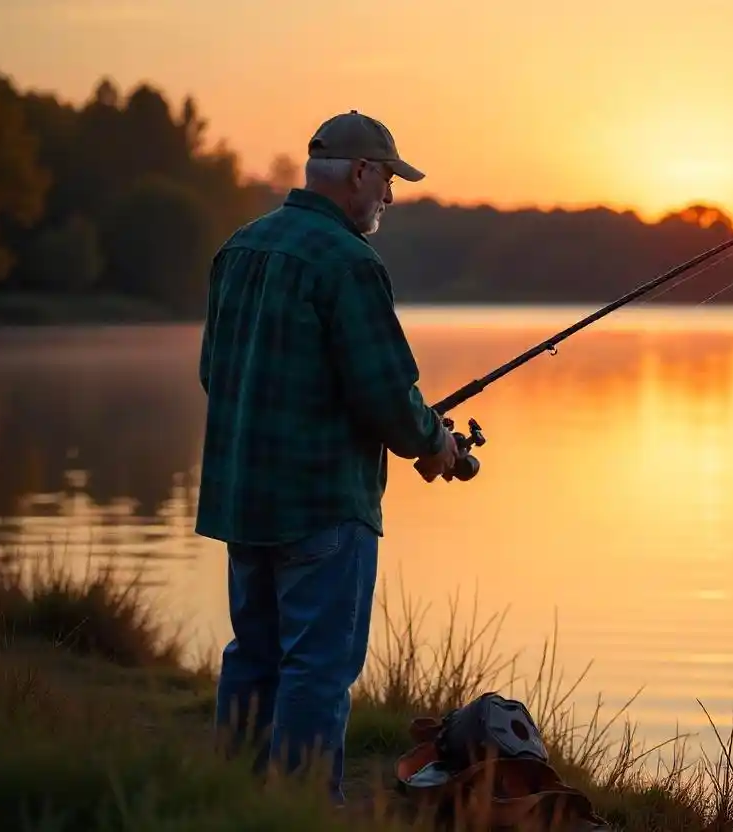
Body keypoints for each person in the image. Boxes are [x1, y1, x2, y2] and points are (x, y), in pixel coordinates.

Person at [194, 109, 459, 803]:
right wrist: (435, 442)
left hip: (244, 499)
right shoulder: (350, 263)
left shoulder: (240, 248)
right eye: (388, 180)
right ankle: (304, 809)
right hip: (322, 506)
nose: (390, 196)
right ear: (361, 173)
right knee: (317, 668)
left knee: (252, 655)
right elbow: (385, 392)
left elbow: (214, 373)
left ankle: (231, 800)